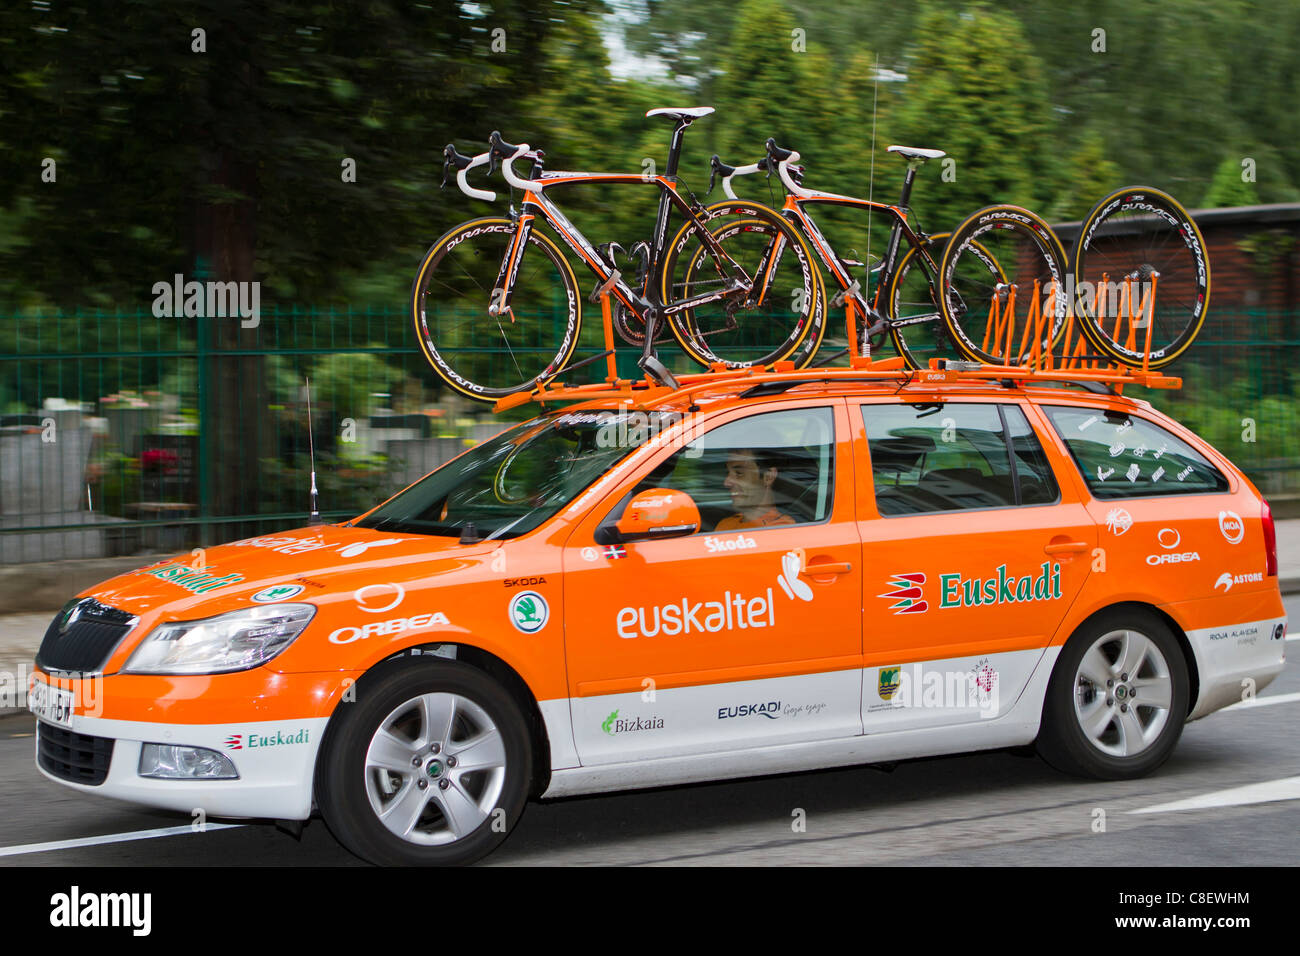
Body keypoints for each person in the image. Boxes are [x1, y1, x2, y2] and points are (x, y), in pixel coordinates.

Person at [715, 447, 795, 531]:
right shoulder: (725, 524)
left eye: (739, 473)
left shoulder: (782, 529)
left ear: (768, 476)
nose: (726, 483)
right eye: (727, 472)